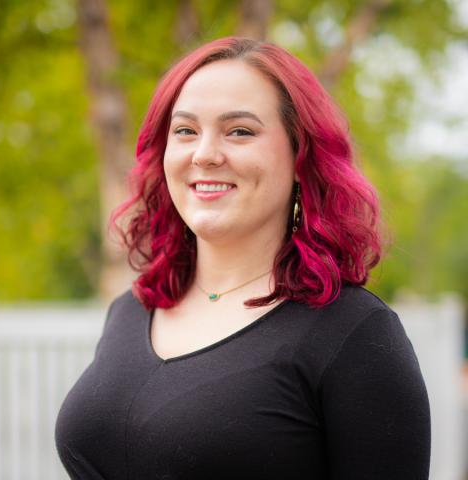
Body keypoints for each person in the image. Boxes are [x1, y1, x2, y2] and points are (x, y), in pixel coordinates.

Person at [55, 37, 431, 479]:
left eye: (240, 131)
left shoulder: (353, 335)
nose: (205, 154)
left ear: (301, 156)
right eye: (185, 131)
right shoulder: (131, 310)